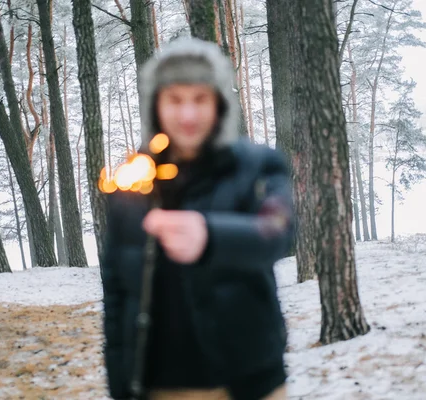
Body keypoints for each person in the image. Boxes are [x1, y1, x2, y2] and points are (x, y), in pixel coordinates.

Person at [101, 37, 294, 400]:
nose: (187, 115)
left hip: (248, 382)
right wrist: (121, 384)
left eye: (200, 99)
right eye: (175, 99)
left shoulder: (257, 165)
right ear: (155, 105)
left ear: (219, 103)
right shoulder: (131, 179)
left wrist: (211, 237)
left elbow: (278, 229)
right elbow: (116, 291)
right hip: (160, 385)